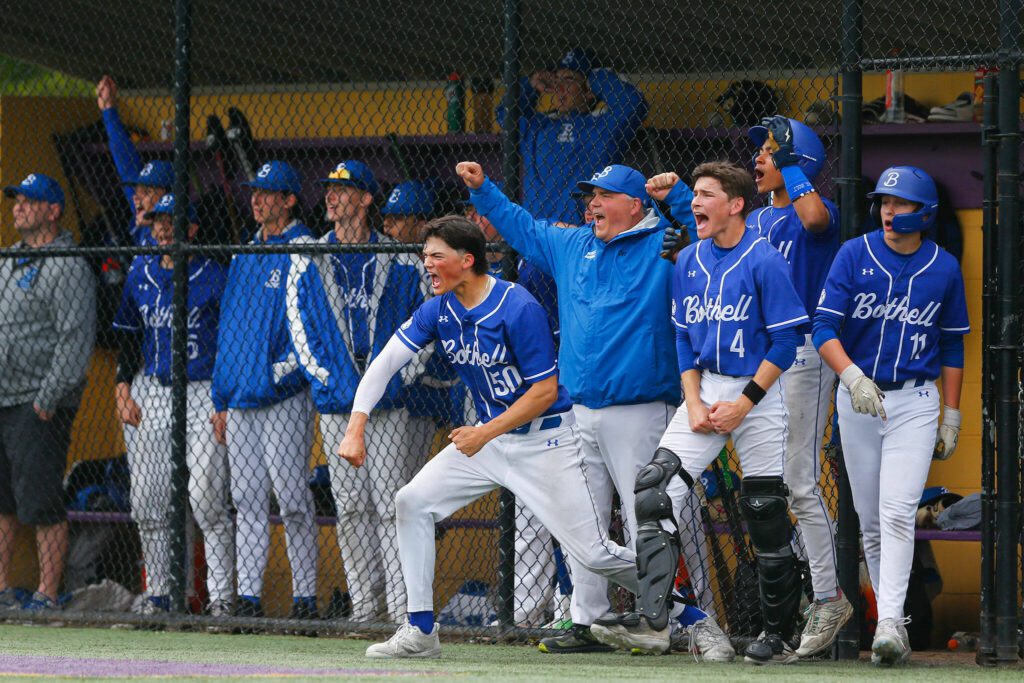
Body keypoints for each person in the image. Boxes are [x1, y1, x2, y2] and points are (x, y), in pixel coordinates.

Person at [335, 215, 639, 658]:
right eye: (425, 256)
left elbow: (545, 392)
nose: (428, 264)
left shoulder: (518, 306)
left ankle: (686, 613)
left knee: (593, 555)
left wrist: (484, 432)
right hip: (489, 441)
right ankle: (420, 631)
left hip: (545, 441)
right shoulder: (438, 309)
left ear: (468, 259)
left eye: (436, 256)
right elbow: (384, 364)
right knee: (412, 502)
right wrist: (356, 426)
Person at [457, 161, 696, 654]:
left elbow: (706, 236)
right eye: (589, 196)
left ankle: (659, 620)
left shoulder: (662, 245)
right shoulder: (574, 246)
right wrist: (484, 189)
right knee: (580, 519)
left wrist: (678, 197)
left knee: (642, 516)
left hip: (639, 405)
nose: (591, 205)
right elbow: (522, 227)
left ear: (635, 205)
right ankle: (589, 620)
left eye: (603, 196)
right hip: (577, 408)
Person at [589, 161, 807, 664]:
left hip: (759, 393)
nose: (695, 202)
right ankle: (657, 619)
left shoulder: (764, 259)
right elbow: (684, 337)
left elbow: (787, 340)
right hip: (706, 388)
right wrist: (693, 401)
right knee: (652, 490)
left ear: (735, 205)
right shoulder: (687, 260)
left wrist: (745, 403)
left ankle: (776, 638)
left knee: (765, 513)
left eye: (707, 194)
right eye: (695, 195)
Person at [812, 166, 968, 666]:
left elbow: (951, 344)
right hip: (858, 398)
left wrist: (952, 412)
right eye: (884, 202)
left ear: (923, 213)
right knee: (874, 524)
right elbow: (823, 328)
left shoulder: (942, 267)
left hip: (915, 401)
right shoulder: (853, 253)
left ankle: (887, 624)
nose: (888, 211)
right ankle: (893, 622)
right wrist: (852, 377)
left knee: (898, 511)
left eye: (899, 204)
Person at [294, 160, 432, 622]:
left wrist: (399, 379)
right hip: (337, 401)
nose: (332, 197)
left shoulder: (401, 257)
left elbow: (424, 325)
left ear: (367, 199)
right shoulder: (310, 256)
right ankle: (364, 605)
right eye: (330, 189)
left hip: (388, 404)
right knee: (351, 507)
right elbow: (301, 329)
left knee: (392, 502)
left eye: (344, 189)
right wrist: (328, 380)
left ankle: (400, 607)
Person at [746, 115, 852, 656]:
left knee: (800, 482)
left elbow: (813, 220)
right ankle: (790, 605)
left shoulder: (819, 209)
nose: (759, 159)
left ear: (798, 161)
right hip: (762, 355)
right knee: (770, 486)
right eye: (762, 151)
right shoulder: (759, 219)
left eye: (771, 151)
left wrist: (792, 158)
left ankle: (829, 596)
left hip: (807, 353)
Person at [111, 194, 234, 619]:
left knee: (205, 499)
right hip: (154, 388)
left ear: (193, 229)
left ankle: (221, 598)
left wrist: (222, 400)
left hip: (203, 390)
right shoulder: (140, 271)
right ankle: (161, 594)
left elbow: (229, 344)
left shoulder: (214, 275)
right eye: (159, 220)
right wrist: (122, 384)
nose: (164, 228)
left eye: (173, 221)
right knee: (148, 499)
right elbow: (129, 336)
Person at [210, 161, 319, 624]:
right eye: (254, 191)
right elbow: (228, 329)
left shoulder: (304, 249)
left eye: (268, 193)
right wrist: (221, 396)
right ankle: (249, 598)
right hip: (241, 399)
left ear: (289, 199)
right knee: (247, 498)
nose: (257, 199)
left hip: (285, 395)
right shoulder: (244, 251)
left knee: (293, 496)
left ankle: (306, 598)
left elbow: (309, 331)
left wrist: (275, 375)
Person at [465, 185, 569, 628]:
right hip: (508, 398)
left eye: (483, 215)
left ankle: (571, 608)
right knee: (526, 510)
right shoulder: (476, 274)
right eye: (471, 215)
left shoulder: (537, 263)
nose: (476, 223)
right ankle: (526, 611)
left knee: (568, 511)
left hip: (559, 393)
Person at [0, 174, 96, 612]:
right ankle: (2, 589)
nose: (19, 206)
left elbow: (74, 341)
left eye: (29, 200)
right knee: (3, 500)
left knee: (41, 499)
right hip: (2, 396)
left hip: (36, 404)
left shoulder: (68, 265)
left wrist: (47, 399)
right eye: (16, 200)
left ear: (53, 210)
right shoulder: (8, 260)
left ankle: (47, 593)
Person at [497, 49, 648, 223]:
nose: (560, 87)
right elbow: (504, 114)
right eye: (557, 80)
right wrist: (531, 85)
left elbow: (634, 103)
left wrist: (597, 78)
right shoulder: (538, 126)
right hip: (537, 234)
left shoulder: (602, 125)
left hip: (582, 234)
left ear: (589, 90)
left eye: (569, 80)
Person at [96, 75, 174, 247]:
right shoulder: (141, 211)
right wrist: (108, 110)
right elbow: (124, 160)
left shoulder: (183, 231)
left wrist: (157, 221)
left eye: (146, 192)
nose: (136, 198)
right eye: (137, 191)